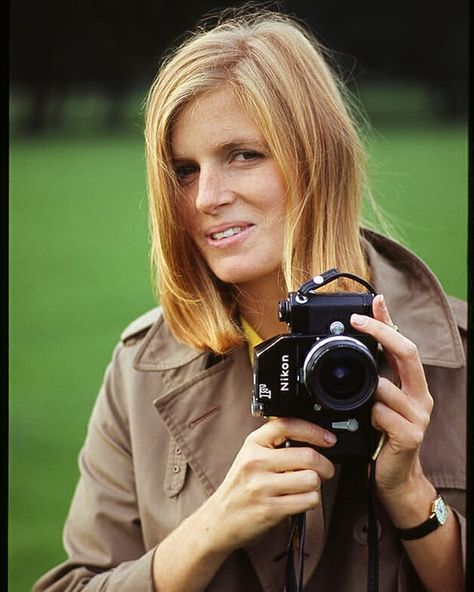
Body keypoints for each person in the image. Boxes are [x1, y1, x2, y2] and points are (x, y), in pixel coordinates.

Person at [33, 7, 466, 592]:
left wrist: (412, 496)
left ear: (318, 157)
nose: (206, 197)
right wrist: (209, 530)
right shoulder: (142, 368)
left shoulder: (458, 355)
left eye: (242, 154)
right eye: (184, 170)